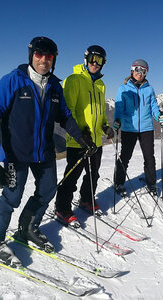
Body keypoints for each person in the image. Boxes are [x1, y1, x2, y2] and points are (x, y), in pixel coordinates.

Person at [0, 37, 95, 264]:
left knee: (47, 191)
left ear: (54, 59)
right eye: (39, 54)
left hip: (44, 151)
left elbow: (64, 116)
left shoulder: (54, 86)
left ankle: (28, 227)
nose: (43, 59)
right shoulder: (13, 81)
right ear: (31, 55)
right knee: (12, 196)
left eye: (49, 56)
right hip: (16, 152)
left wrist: (81, 138)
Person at [55, 45, 113, 225]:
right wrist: (81, 132)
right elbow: (67, 111)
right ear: (86, 59)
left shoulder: (100, 84)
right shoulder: (74, 79)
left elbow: (100, 111)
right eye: (92, 59)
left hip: (95, 140)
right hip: (78, 140)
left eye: (100, 60)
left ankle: (86, 199)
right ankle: (62, 207)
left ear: (104, 63)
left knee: (93, 174)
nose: (95, 63)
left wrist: (105, 126)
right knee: (72, 175)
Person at [113, 59, 163, 196]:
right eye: (138, 70)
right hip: (129, 128)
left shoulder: (149, 89)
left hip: (146, 127)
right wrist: (117, 120)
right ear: (132, 70)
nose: (140, 73)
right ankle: (119, 182)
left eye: (144, 71)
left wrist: (158, 115)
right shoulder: (123, 89)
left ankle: (151, 183)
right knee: (125, 156)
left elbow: (153, 106)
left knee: (149, 156)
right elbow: (119, 108)